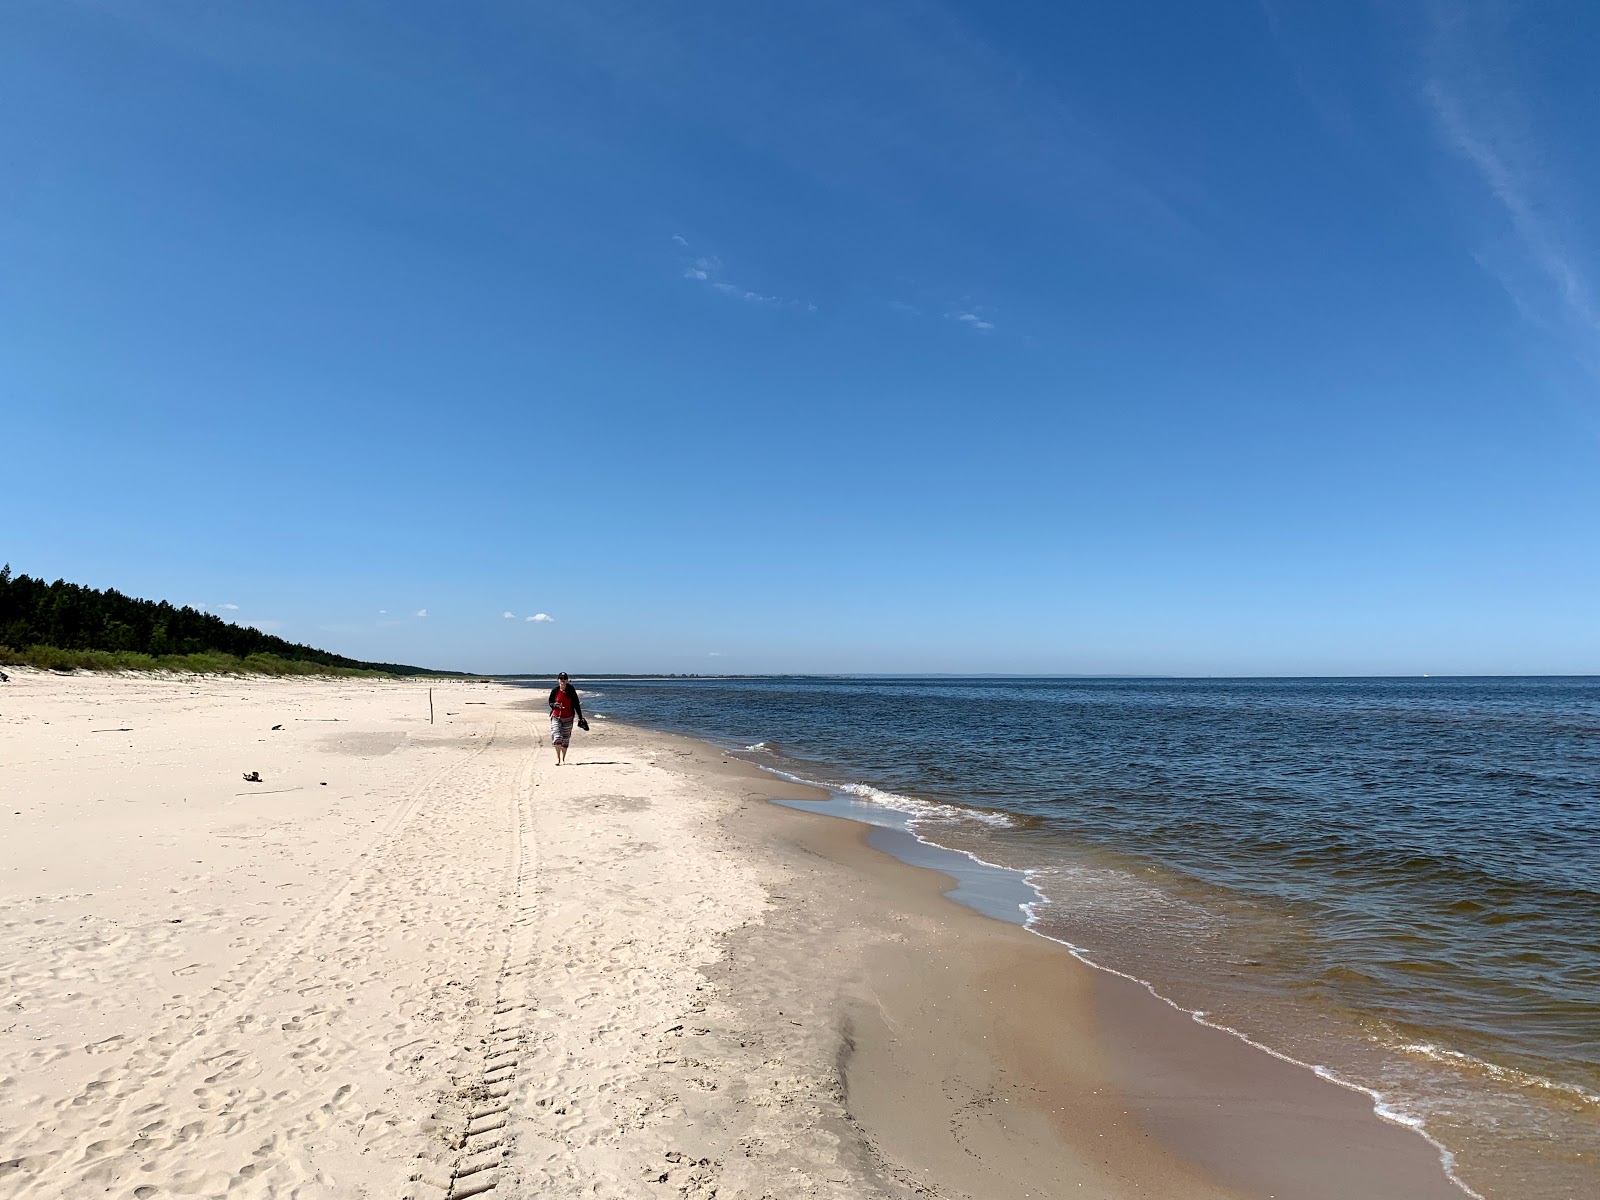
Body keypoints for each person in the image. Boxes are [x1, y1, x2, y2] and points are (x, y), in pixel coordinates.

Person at [547, 672, 586, 765]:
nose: (562, 680)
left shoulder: (571, 690)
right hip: (556, 717)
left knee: (565, 739)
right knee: (557, 737)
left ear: (567, 680)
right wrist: (554, 705)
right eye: (561, 678)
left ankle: (563, 758)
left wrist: (580, 717)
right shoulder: (555, 690)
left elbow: (576, 704)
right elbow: (550, 702)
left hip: (568, 718)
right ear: (558, 680)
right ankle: (557, 758)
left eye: (564, 678)